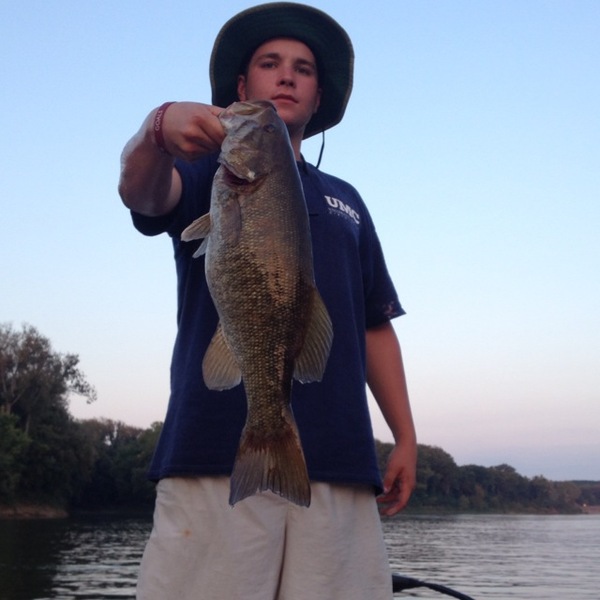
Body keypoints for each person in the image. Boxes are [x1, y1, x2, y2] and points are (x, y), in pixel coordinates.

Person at [118, 3, 417, 599]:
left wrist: (404, 436)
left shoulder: (348, 202)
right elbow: (142, 194)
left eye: (303, 69)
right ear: (240, 87)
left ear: (317, 96)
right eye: (270, 63)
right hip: (211, 455)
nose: (286, 76)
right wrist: (156, 129)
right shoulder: (209, 174)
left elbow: (373, 325)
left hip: (340, 464)